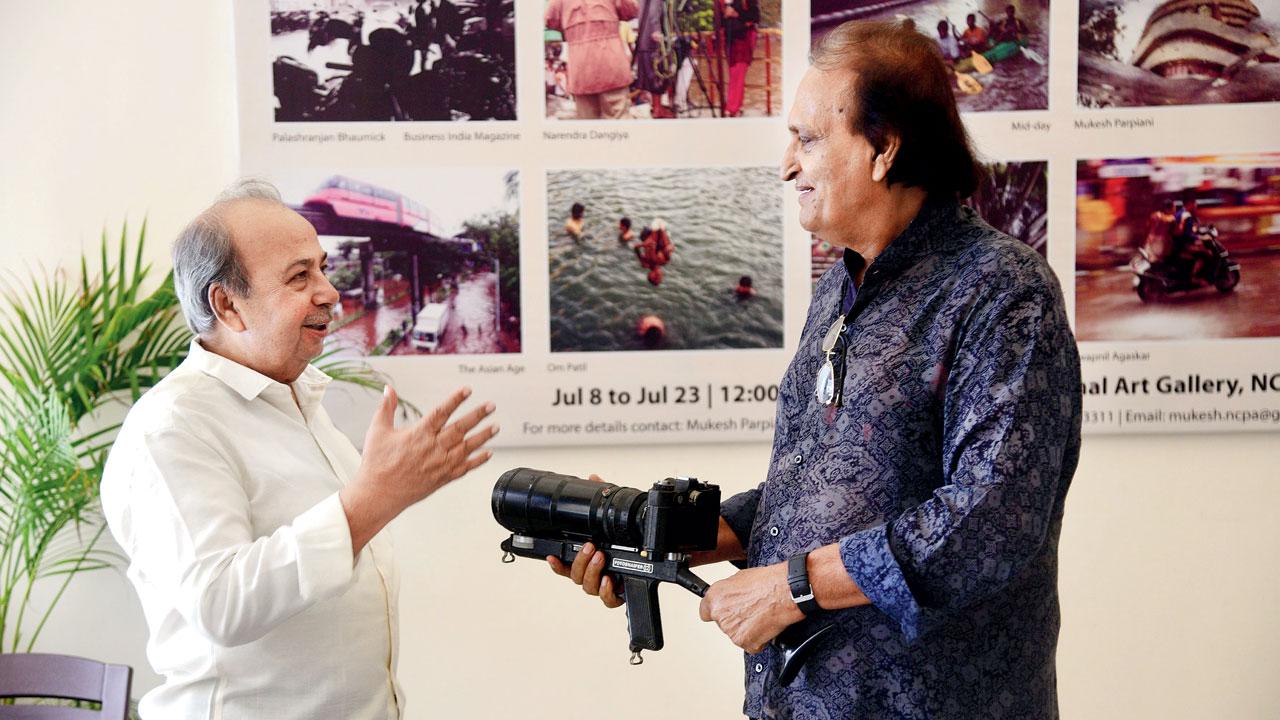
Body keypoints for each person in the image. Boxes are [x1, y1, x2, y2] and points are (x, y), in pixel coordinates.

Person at [551, 19, 1080, 719]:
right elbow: (813, 492)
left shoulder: (1004, 292)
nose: (786, 166)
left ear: (883, 148)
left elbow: (990, 520)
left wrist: (790, 588)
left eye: (806, 139)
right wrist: (644, 529)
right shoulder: (838, 288)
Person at [101, 180, 499, 719]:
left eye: (322, 267)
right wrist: (374, 499)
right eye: (299, 276)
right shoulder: (172, 426)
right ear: (228, 305)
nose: (331, 292)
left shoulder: (300, 399)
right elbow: (220, 602)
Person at [545, 0, 640, 119]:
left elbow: (551, 20)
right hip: (611, 65)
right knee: (618, 122)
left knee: (588, 125)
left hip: (581, 69)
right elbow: (632, 10)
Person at [721, 0, 760, 117]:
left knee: (737, 72)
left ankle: (732, 107)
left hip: (744, 38)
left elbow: (755, 17)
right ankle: (737, 105)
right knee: (735, 74)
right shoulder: (721, 2)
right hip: (730, 40)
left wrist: (735, 14)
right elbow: (718, 22)